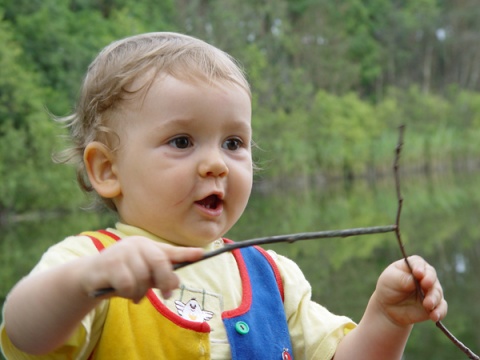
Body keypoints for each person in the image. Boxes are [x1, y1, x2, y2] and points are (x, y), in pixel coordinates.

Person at [0, 32, 447, 360]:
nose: (216, 163)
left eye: (233, 143)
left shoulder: (272, 276)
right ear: (107, 169)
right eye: (181, 141)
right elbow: (23, 332)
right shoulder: (88, 261)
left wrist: (387, 321)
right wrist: (86, 283)